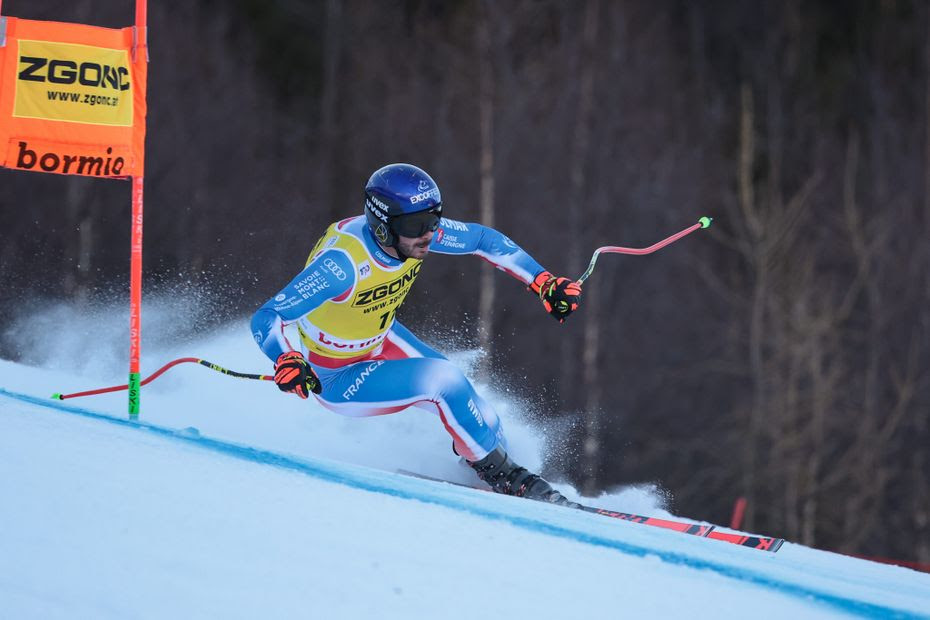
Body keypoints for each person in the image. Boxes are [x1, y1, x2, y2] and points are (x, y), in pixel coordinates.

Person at [251, 163, 583, 505]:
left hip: (381, 338)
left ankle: (489, 469)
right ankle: (509, 477)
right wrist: (286, 357)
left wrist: (543, 281)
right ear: (383, 227)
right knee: (444, 380)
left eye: (434, 219)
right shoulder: (341, 266)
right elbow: (267, 316)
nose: (429, 234)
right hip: (335, 374)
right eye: (417, 225)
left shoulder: (412, 236)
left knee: (485, 420)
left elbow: (482, 239)